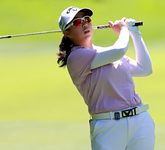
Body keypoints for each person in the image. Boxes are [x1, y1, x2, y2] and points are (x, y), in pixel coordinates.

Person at [57, 6, 155, 150]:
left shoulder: (106, 52)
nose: (84, 24)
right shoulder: (76, 58)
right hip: (108, 127)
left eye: (86, 19)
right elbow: (120, 50)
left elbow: (144, 69)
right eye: (77, 22)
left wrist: (135, 33)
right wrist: (123, 30)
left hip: (140, 120)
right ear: (67, 32)